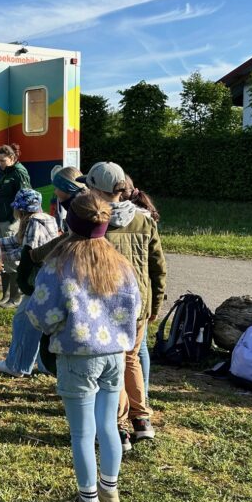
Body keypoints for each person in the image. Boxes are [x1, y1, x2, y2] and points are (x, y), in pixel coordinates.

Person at [26, 193, 141, 502]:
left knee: (81, 434)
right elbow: (136, 308)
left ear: (70, 222)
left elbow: (40, 314)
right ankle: (111, 491)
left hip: (78, 357)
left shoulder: (60, 264)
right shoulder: (119, 262)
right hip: (114, 356)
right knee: (108, 426)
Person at [79, 161, 166, 450]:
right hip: (139, 302)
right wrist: (156, 302)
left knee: (112, 367)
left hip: (106, 305)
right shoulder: (144, 220)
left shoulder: (94, 222)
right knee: (131, 360)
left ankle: (118, 427)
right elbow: (157, 266)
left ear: (96, 189)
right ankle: (142, 420)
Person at [0, 188, 60, 376]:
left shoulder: (33, 223)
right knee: (40, 323)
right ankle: (45, 365)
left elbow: (28, 253)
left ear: (21, 210)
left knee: (23, 320)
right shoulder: (47, 219)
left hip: (37, 280)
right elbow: (16, 241)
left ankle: (16, 365)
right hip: (50, 279)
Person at [121, 175, 160, 394]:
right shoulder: (147, 217)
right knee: (138, 349)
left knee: (131, 353)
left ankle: (137, 398)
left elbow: (157, 264)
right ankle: (142, 395)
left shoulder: (134, 219)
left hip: (131, 293)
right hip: (142, 295)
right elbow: (158, 267)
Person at [0, 144, 31, 307]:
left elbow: (25, 196)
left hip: (11, 221)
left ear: (13, 158)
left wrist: (16, 219)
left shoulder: (18, 173)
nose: (0, 163)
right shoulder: (6, 173)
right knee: (3, 257)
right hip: (0, 219)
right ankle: (5, 295)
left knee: (13, 259)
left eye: (3, 160)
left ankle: (16, 298)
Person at [48, 165, 86, 234]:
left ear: (67, 187)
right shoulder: (80, 206)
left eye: (57, 188)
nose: (55, 192)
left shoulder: (79, 213)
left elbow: (77, 240)